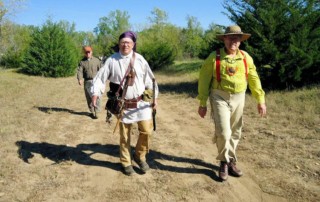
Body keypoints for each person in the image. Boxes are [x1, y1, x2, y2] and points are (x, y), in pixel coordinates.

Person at [197, 25, 267, 181]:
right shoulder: (214, 57)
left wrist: (260, 99)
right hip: (219, 96)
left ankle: (231, 160)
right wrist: (202, 103)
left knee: (235, 132)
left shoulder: (245, 57)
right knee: (224, 132)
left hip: (239, 98)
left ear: (240, 41)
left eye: (236, 38)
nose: (233, 41)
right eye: (230, 37)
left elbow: (253, 78)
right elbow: (203, 79)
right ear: (224, 39)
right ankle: (223, 161)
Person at [91, 31, 159, 176]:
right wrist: (95, 93)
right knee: (125, 136)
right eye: (123, 42)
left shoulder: (140, 60)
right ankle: (126, 162)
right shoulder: (112, 60)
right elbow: (100, 78)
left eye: (128, 42)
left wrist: (155, 99)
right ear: (119, 44)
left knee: (147, 131)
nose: (125, 44)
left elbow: (150, 80)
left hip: (141, 103)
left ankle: (139, 156)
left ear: (133, 44)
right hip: (123, 105)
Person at [77, 46, 102, 119]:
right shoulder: (82, 62)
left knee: (97, 96)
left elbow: (102, 70)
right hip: (87, 81)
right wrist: (80, 79)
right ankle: (92, 111)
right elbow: (80, 71)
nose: (88, 54)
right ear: (84, 53)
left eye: (89, 52)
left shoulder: (97, 61)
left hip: (96, 81)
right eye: (86, 52)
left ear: (92, 52)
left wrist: (102, 79)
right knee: (88, 97)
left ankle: (97, 112)